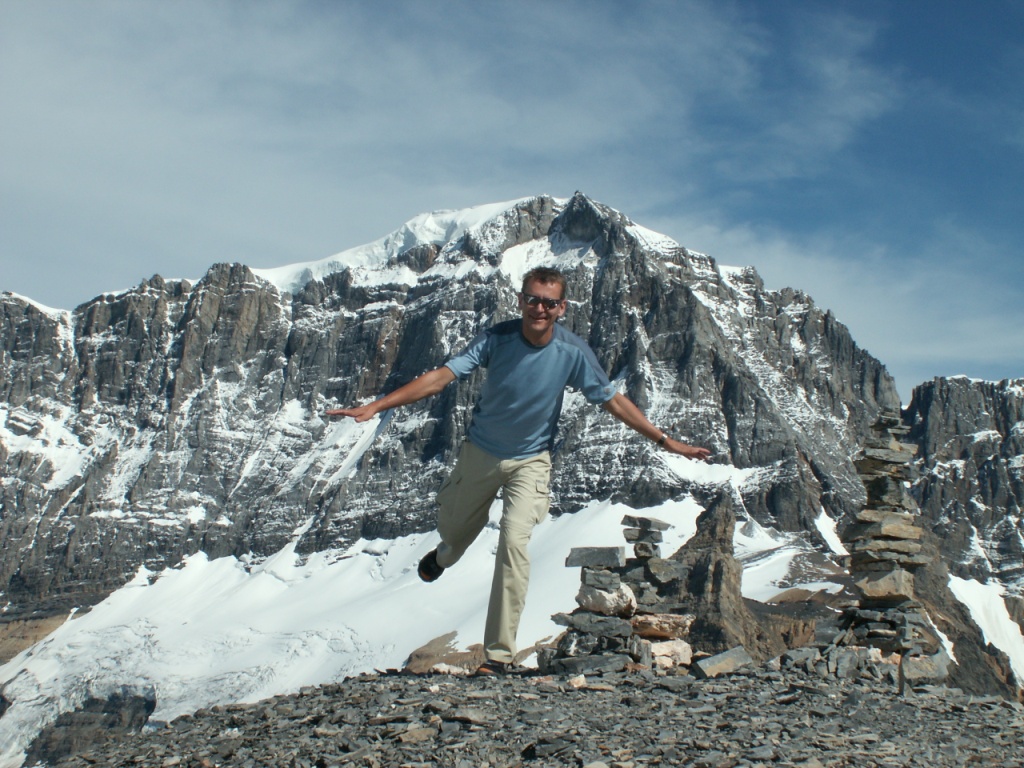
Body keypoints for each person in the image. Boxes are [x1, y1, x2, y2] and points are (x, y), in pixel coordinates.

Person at [326, 267, 711, 675]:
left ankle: (498, 656)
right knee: (455, 533)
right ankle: (443, 555)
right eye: (532, 299)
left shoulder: (572, 352)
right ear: (520, 300)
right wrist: (377, 406)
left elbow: (613, 401)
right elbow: (441, 378)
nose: (539, 309)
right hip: (480, 454)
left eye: (549, 302)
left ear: (562, 308)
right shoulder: (497, 338)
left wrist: (666, 441)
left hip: (532, 462)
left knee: (514, 542)